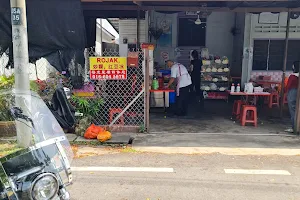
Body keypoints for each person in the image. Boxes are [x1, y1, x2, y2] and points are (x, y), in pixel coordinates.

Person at [285, 61, 300, 133]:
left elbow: (288, 86)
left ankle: (294, 127)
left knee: (292, 110)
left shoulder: (293, 76)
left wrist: (285, 92)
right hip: (298, 93)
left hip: (292, 92)